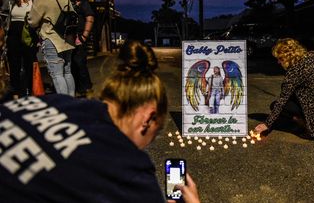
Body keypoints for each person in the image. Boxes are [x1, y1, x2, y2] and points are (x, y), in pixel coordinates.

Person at [0, 40, 201, 202]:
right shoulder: (129, 173)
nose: (142, 148)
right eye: (153, 136)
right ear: (149, 117)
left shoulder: (55, 101)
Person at [254, 38, 314, 142]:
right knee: (296, 95)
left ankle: (306, 125)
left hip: (311, 107)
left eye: (280, 58)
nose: (278, 62)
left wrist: (267, 124)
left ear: (287, 56)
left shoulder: (292, 73)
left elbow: (282, 102)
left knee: (275, 105)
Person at [27, 0, 76, 96]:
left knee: (57, 74)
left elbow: (32, 21)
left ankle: (64, 107)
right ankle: (72, 103)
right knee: (67, 72)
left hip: (52, 39)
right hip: (67, 40)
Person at [60, 0, 94, 97]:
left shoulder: (80, 0)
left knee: (80, 63)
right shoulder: (58, 0)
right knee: (67, 66)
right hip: (63, 38)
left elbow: (89, 17)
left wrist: (84, 35)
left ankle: (86, 90)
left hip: (78, 36)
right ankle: (71, 90)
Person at [4, 0, 38, 99]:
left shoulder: (33, 3)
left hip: (28, 36)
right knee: (14, 66)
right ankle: (16, 92)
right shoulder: (12, 2)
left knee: (29, 65)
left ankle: (27, 90)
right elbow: (5, 17)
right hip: (13, 37)